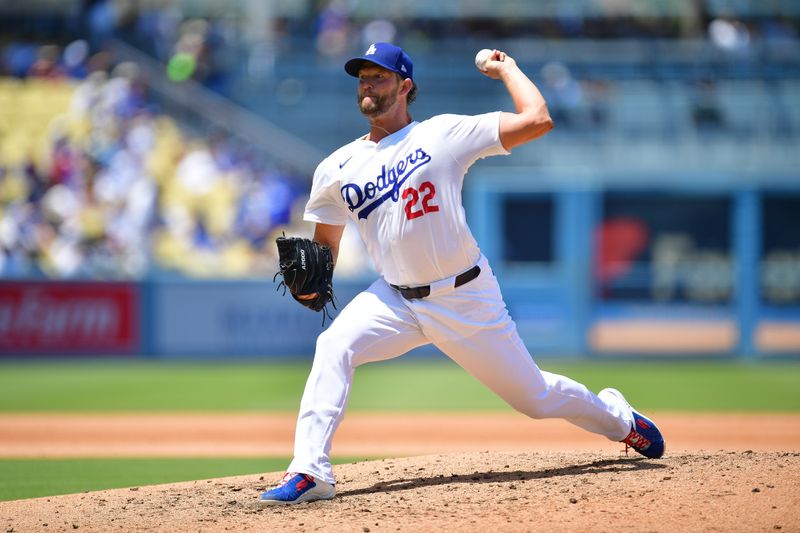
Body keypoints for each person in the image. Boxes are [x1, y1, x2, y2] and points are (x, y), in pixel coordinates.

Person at [258, 42, 665, 506]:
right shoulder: (335, 167)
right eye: (362, 77)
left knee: (535, 399)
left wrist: (508, 68)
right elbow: (324, 247)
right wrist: (311, 288)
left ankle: (620, 420)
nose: (368, 84)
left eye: (380, 76)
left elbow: (538, 119)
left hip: (465, 295)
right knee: (334, 345)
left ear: (405, 86)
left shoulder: (443, 134)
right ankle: (312, 472)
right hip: (395, 299)